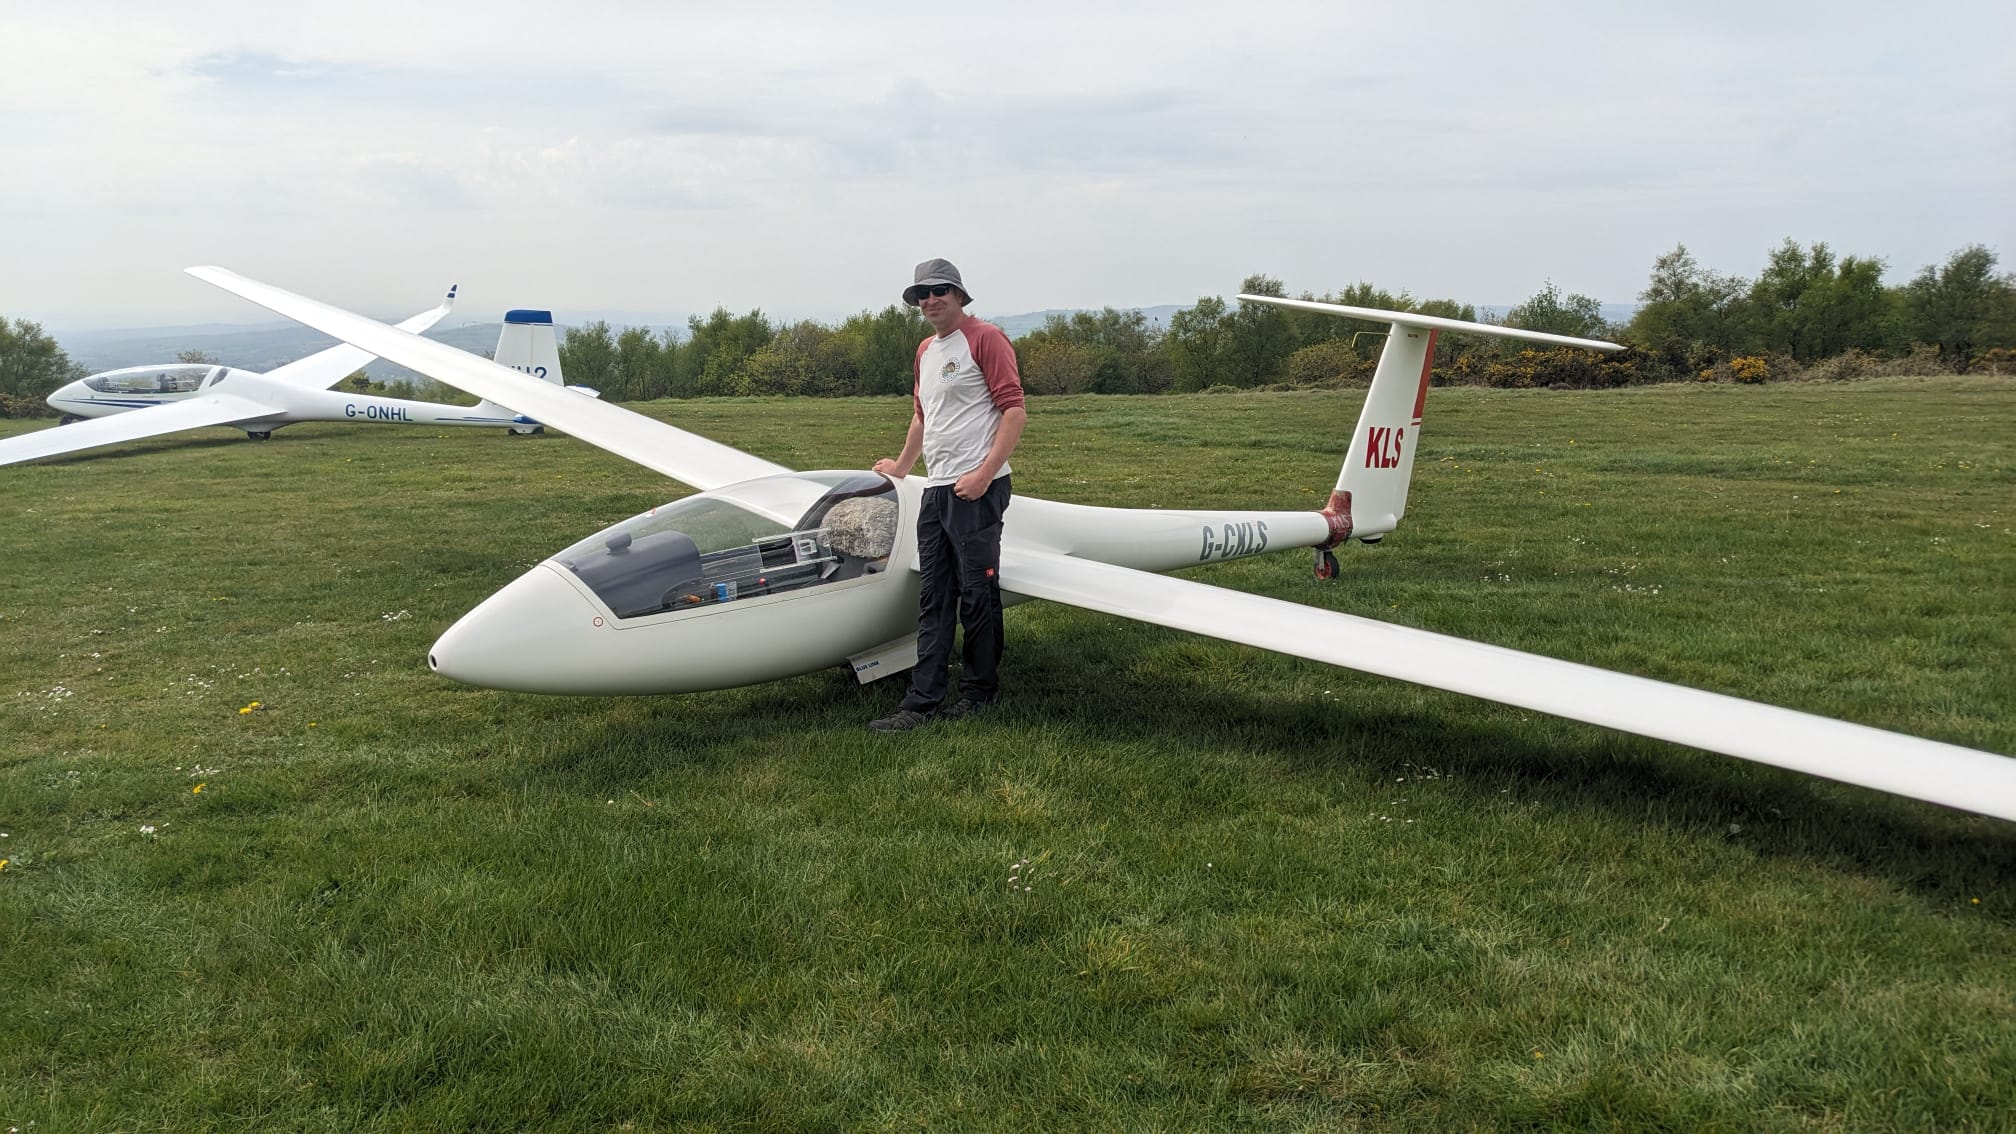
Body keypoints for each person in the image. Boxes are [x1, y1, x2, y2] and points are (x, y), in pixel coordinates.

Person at [868, 258, 1027, 732]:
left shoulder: (985, 338)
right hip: (938, 491)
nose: (930, 300)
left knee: (977, 593)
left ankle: (979, 693)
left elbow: (1013, 411)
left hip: (978, 488)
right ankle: (922, 702)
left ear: (959, 295)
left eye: (939, 291)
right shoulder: (925, 350)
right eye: (921, 294)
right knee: (934, 593)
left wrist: (983, 473)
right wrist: (901, 466)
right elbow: (923, 416)